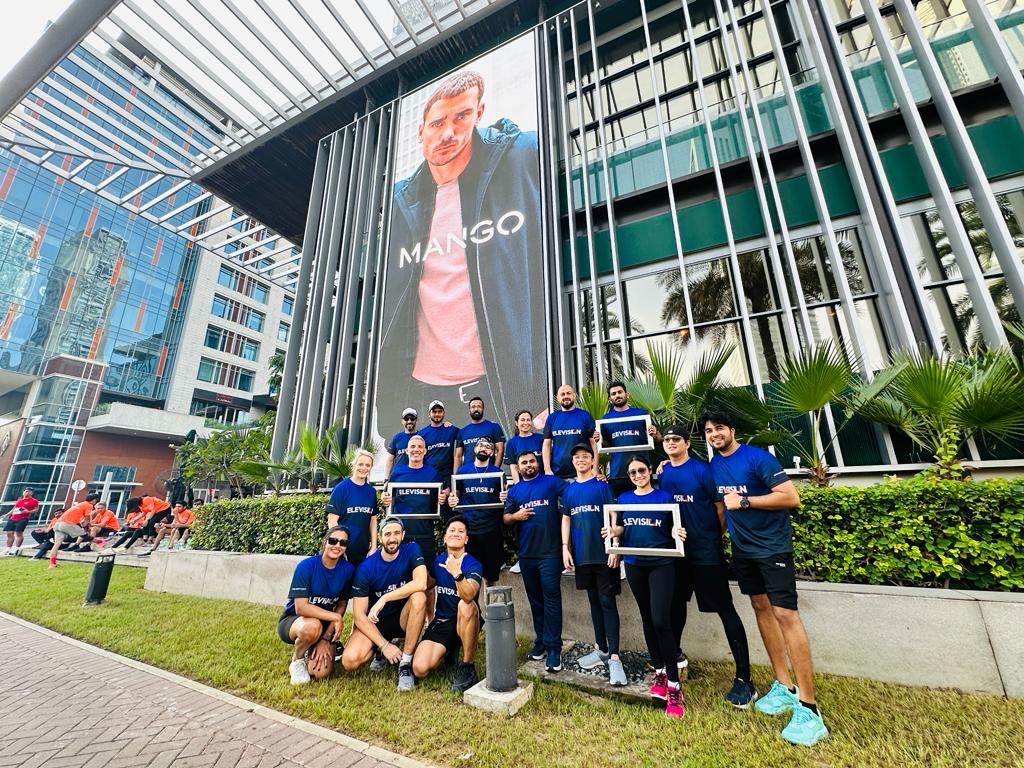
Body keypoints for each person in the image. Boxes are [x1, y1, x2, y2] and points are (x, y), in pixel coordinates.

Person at [377, 68, 544, 422]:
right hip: (421, 394)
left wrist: (541, 392)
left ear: (479, 113)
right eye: (438, 123)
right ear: (421, 131)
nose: (448, 133)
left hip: (501, 390)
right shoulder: (400, 201)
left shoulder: (523, 156)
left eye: (462, 116)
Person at [702, 409, 828, 746]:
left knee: (786, 615)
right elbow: (720, 507)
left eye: (719, 428)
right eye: (709, 431)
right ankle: (784, 685)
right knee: (761, 608)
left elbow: (791, 497)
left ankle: (809, 707)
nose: (714, 435)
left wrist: (744, 501)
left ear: (732, 429)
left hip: (772, 549)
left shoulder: (757, 458)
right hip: (743, 550)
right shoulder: (714, 466)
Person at [657, 424, 755, 707]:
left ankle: (744, 678)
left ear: (687, 443)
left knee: (725, 609)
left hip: (705, 553)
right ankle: (673, 663)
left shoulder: (703, 471)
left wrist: (711, 537)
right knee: (675, 607)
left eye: (677, 439)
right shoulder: (663, 473)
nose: (671, 443)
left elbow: (720, 509)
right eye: (667, 439)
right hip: (676, 554)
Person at [607, 455, 687, 718]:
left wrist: (677, 533)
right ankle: (660, 672)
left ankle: (674, 685)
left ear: (650, 471)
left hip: (662, 563)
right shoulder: (624, 499)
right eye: (632, 473)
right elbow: (622, 528)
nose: (638, 475)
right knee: (647, 619)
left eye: (641, 470)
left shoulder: (664, 497)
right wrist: (613, 534)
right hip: (635, 564)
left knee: (661, 620)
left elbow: (674, 527)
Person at [560, 443, 626, 686]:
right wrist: (565, 548)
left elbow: (614, 516)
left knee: (608, 602)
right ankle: (601, 649)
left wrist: (615, 546)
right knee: (594, 602)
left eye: (585, 456)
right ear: (573, 461)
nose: (580, 460)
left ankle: (615, 657)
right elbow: (566, 519)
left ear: (592, 460)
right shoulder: (569, 491)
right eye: (577, 457)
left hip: (604, 555)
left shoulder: (602, 486)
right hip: (582, 556)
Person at [342, 518, 428, 691]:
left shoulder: (412, 550)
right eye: (387, 534)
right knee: (350, 661)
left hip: (403, 618)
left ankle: (405, 663)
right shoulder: (366, 567)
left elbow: (421, 583)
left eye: (397, 533)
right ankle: (379, 650)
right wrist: (384, 645)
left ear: (403, 535)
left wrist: (384, 598)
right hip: (377, 622)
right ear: (380, 537)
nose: (392, 538)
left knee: (419, 597)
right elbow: (359, 615)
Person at [503, 450, 566, 672]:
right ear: (518, 467)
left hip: (550, 553)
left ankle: (554, 648)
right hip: (527, 555)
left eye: (531, 461)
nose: (529, 464)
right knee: (536, 601)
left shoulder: (551, 482)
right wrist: (516, 516)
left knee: (551, 599)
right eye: (524, 462)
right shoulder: (515, 490)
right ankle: (541, 641)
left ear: (537, 462)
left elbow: (573, 492)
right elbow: (505, 517)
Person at [412, 515, 482, 693]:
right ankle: (449, 650)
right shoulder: (438, 561)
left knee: (465, 605)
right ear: (444, 538)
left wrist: (457, 573)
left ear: (466, 539)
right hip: (442, 621)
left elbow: (469, 595)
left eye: (461, 531)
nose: (456, 533)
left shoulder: (473, 564)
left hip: (465, 619)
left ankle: (468, 667)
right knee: (419, 668)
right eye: (452, 530)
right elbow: (426, 583)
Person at [278, 526, 355, 685]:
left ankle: (311, 648)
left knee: (320, 672)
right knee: (312, 627)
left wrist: (326, 638)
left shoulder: (348, 570)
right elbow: (301, 607)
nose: (337, 545)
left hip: (325, 624)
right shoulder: (306, 566)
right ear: (325, 541)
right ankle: (297, 660)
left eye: (343, 542)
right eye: (333, 540)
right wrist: (335, 617)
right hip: (296, 620)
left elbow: (342, 604)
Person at [448, 436, 504, 586]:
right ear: (474, 449)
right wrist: (452, 499)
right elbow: (456, 494)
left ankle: (489, 602)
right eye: (480, 445)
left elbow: (503, 498)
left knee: (490, 577)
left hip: (490, 530)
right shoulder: (463, 471)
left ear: (492, 453)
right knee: (468, 575)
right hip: (469, 531)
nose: (483, 448)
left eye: (488, 447)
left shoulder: (497, 473)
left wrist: (505, 497)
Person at [599, 381, 660, 496]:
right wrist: (599, 441)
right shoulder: (606, 419)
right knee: (621, 506)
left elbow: (658, 438)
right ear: (610, 399)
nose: (617, 395)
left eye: (620, 392)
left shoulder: (641, 413)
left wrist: (655, 433)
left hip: (641, 471)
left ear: (627, 395)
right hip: (618, 473)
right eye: (613, 394)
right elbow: (606, 444)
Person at [325, 450, 379, 567]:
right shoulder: (341, 488)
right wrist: (339, 548)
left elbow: (373, 520)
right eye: (360, 464)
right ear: (354, 465)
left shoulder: (371, 491)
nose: (364, 468)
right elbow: (332, 520)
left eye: (367, 465)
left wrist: (373, 547)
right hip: (342, 552)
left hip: (363, 553)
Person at [543, 384, 596, 480]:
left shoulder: (585, 415)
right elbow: (546, 444)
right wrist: (547, 469)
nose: (566, 396)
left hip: (582, 473)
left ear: (574, 396)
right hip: (557, 474)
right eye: (562, 394)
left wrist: (595, 468)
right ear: (558, 398)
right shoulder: (552, 418)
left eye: (568, 393)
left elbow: (593, 443)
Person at [47, 494, 99, 568]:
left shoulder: (80, 504)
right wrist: (85, 525)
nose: (96, 502)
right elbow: (87, 517)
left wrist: (83, 524)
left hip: (57, 524)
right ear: (93, 500)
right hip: (67, 524)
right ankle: (101, 542)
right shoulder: (89, 505)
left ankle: (52, 564)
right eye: (96, 500)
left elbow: (78, 517)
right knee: (85, 536)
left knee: (56, 545)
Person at [454, 397, 505, 468]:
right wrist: (456, 474)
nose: (476, 409)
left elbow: (500, 451)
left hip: (488, 471)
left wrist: (495, 470)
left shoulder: (494, 427)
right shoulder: (462, 431)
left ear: (483, 409)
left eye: (479, 406)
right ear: (469, 410)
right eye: (473, 407)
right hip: (468, 472)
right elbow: (458, 456)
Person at [417, 401, 460, 484]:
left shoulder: (452, 430)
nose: (437, 414)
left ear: (444, 413)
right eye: (434, 412)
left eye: (439, 411)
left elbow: (465, 435)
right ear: (429, 414)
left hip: (447, 478)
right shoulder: (422, 434)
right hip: (428, 476)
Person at [505, 409, 544, 482]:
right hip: (523, 483)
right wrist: (518, 485)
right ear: (516, 423)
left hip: (542, 481)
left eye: (528, 420)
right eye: (522, 420)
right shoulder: (512, 443)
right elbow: (513, 467)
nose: (526, 423)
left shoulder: (540, 438)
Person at [3, 487, 39, 556]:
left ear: (31, 493)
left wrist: (28, 511)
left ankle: (16, 548)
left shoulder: (34, 500)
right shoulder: (19, 500)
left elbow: (36, 509)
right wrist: (7, 514)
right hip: (13, 518)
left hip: (22, 518)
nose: (26, 492)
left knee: (18, 533)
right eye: (25, 491)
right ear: (23, 492)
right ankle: (8, 548)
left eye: (28, 491)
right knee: (9, 533)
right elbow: (14, 508)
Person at [385, 408, 419, 476]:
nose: (409, 421)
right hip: (399, 476)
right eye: (406, 419)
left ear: (416, 420)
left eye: (412, 418)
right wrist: (386, 477)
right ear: (402, 421)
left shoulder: (421, 436)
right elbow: (390, 460)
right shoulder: (397, 438)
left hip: (417, 475)